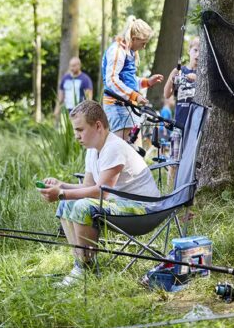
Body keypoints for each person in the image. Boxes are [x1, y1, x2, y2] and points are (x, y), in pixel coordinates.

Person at [39, 100, 161, 286]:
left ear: (97, 126)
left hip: (144, 210)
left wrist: (61, 193)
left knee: (82, 206)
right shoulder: (93, 150)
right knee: (67, 203)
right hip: (121, 204)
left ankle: (83, 268)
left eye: (80, 130)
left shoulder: (114, 148)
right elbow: (88, 186)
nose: (76, 135)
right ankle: (82, 264)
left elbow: (100, 193)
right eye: (75, 130)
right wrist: (61, 186)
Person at [102, 16, 164, 141]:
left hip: (128, 106)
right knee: (126, 149)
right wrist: (135, 96)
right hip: (118, 107)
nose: (144, 47)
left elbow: (127, 80)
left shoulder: (129, 52)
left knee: (134, 149)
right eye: (143, 43)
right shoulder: (117, 51)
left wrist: (147, 82)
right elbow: (112, 80)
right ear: (134, 38)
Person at [162, 37, 199, 128]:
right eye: (195, 50)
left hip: (196, 122)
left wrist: (197, 79)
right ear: (189, 50)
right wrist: (171, 78)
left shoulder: (203, 74)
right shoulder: (180, 71)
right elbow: (166, 94)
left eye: (201, 52)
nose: (197, 54)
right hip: (179, 120)